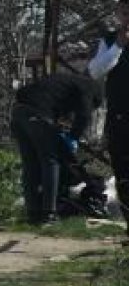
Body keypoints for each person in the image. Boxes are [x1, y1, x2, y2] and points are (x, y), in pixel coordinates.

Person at [12, 71, 103, 226]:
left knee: (30, 165)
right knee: (51, 161)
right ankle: (49, 214)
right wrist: (73, 137)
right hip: (38, 114)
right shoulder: (89, 87)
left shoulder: (65, 81)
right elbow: (84, 115)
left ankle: (33, 214)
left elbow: (30, 94)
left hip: (18, 113)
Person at [88, 0, 129, 237]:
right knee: (123, 172)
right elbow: (95, 70)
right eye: (123, 13)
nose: (127, 18)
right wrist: (118, 47)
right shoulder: (110, 41)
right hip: (119, 117)